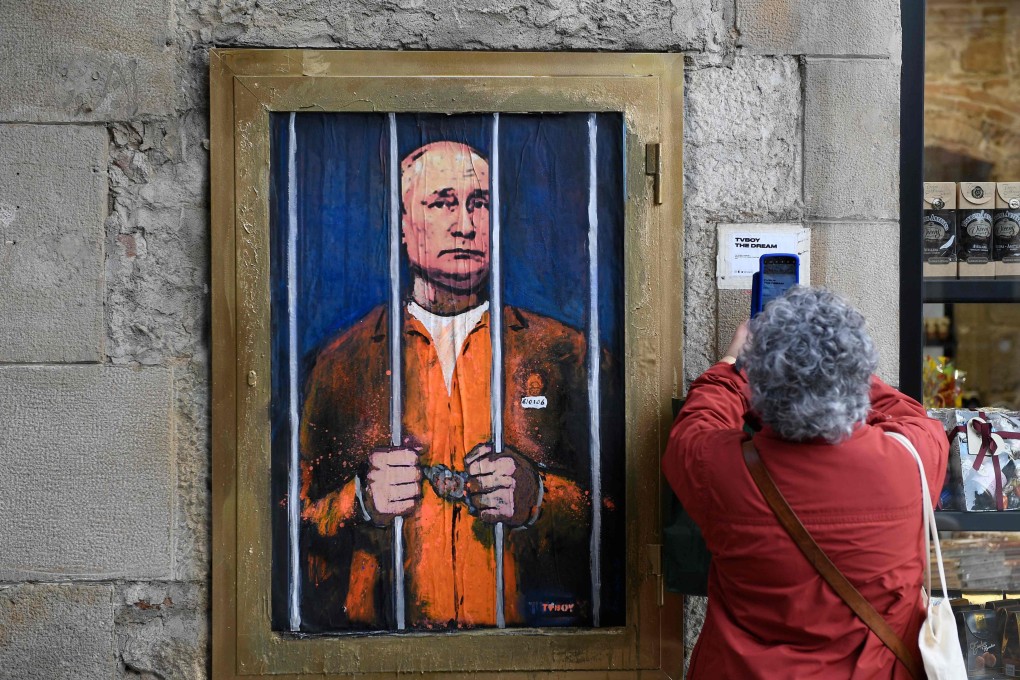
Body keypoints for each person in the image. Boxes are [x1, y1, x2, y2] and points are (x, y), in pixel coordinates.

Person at [299, 140, 620, 631]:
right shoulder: (337, 364)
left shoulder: (569, 356)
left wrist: (539, 499)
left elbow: (627, 511)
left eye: (480, 204)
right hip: (382, 651)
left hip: (528, 649)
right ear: (404, 227)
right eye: (442, 202)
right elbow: (282, 523)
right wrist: (359, 501)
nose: (466, 225)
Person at [662, 286, 949, 678]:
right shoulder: (911, 460)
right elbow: (910, 415)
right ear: (857, 373)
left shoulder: (723, 471)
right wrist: (839, 364)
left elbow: (695, 426)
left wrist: (732, 363)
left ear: (759, 386)